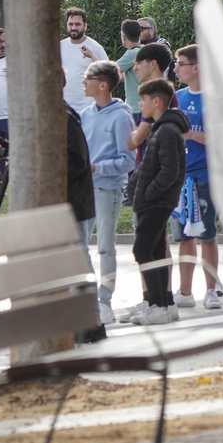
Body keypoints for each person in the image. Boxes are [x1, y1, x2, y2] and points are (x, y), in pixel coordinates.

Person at [124, 79, 188, 325]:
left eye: (143, 100)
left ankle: (158, 305)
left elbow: (169, 171)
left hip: (157, 202)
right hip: (153, 201)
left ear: (157, 102)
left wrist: (148, 194)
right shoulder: (161, 128)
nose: (140, 105)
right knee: (156, 250)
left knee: (142, 249)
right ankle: (164, 303)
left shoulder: (167, 131)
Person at [80, 60, 137, 325]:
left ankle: (104, 301)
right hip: (84, 189)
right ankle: (86, 299)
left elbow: (128, 160)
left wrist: (97, 168)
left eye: (88, 78)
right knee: (79, 244)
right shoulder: (85, 114)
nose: (83, 82)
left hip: (108, 190)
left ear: (103, 85)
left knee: (105, 247)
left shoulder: (121, 117)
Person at [171, 45, 223, 310]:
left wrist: (191, 134)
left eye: (180, 64)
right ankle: (184, 291)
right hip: (180, 177)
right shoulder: (176, 97)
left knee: (207, 234)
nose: (175, 69)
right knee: (183, 236)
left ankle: (211, 290)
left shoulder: (216, 99)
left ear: (197, 67)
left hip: (205, 176)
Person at [60, 7, 108, 113]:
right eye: (70, 24)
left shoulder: (95, 48)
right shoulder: (60, 46)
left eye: (77, 24)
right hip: (64, 109)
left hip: (87, 110)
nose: (73, 27)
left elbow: (108, 75)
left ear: (85, 26)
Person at [116, 19, 144, 116]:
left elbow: (109, 70)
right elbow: (124, 77)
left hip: (136, 108)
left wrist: (92, 56)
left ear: (123, 37)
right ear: (140, 35)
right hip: (143, 107)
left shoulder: (133, 53)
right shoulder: (144, 50)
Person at [138, 16, 175, 80]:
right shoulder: (136, 47)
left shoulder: (161, 44)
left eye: (141, 29)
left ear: (151, 31)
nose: (137, 32)